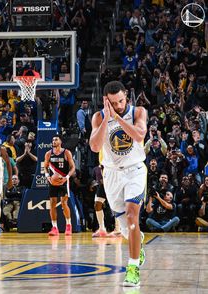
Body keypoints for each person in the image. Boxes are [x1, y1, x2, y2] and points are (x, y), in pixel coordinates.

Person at [89, 81, 147, 287]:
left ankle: (132, 269)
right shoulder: (98, 117)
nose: (119, 105)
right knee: (126, 228)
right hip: (111, 175)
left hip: (135, 171)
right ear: (106, 101)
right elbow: (95, 147)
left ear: (126, 98)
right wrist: (107, 118)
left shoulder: (138, 112)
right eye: (114, 103)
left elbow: (139, 135)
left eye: (121, 101)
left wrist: (118, 118)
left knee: (133, 215)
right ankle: (136, 243)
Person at [44, 134, 75, 236]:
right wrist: (48, 176)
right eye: (53, 140)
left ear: (60, 141)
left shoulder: (66, 153)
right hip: (53, 182)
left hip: (63, 181)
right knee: (52, 203)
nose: (54, 141)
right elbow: (45, 167)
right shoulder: (48, 154)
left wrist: (67, 177)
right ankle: (54, 227)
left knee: (64, 203)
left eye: (56, 140)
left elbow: (72, 168)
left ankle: (68, 225)